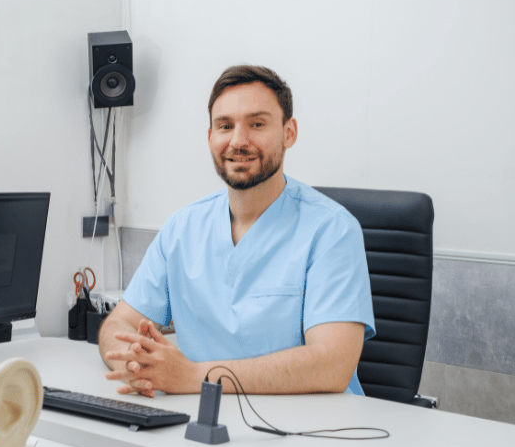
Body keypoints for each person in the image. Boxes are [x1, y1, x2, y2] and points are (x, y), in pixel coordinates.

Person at [98, 65, 375, 398]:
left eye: (257, 124)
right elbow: (119, 324)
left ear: (289, 132)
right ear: (210, 137)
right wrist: (136, 367)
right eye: (225, 126)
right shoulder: (182, 228)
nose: (238, 141)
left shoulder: (331, 230)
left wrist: (194, 377)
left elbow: (332, 365)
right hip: (204, 422)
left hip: (314, 433)